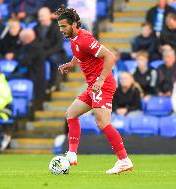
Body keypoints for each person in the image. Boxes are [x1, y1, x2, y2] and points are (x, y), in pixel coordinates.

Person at [56, 6, 133, 174]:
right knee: (71, 113)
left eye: (64, 26)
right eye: (60, 27)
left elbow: (110, 56)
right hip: (92, 86)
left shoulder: (84, 38)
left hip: (101, 85)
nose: (62, 30)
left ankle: (124, 160)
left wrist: (101, 79)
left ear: (74, 24)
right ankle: (72, 154)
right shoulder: (74, 37)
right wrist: (71, 64)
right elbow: (80, 53)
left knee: (102, 122)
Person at [34, 7, 66, 92]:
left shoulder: (57, 28)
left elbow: (59, 45)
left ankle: (53, 83)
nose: (42, 18)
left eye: (43, 16)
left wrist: (47, 53)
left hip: (55, 52)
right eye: (40, 16)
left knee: (53, 59)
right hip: (41, 53)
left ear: (49, 16)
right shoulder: (36, 29)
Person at [17, 29, 46, 110]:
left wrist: (19, 60)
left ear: (26, 38)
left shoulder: (35, 47)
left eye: (21, 39)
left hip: (36, 75)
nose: (20, 41)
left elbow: (24, 60)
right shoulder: (31, 46)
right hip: (32, 74)